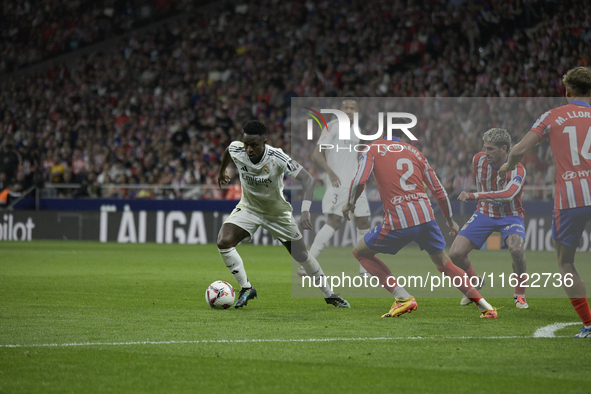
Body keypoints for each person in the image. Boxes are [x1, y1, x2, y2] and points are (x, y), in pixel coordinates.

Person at [343, 125, 497, 318]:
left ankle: (403, 297)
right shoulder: (416, 152)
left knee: (360, 252)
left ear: (382, 134)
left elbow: (359, 180)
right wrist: (449, 220)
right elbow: (439, 190)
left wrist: (349, 204)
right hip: (426, 217)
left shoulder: (372, 149)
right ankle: (486, 306)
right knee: (444, 263)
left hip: (399, 219)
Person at [217, 120, 350, 308]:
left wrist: (305, 210)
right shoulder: (237, 149)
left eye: (254, 145)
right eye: (246, 144)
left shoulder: (276, 157)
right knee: (224, 242)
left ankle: (330, 295)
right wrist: (222, 171)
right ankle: (246, 288)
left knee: (301, 255)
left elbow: (308, 179)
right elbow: (228, 151)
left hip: (277, 214)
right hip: (249, 208)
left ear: (264, 141)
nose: (248, 149)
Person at [499, 67, 591, 338]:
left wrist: (507, 167)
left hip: (571, 198)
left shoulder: (553, 116)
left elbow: (518, 150)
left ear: (567, 91)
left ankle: (588, 323)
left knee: (566, 263)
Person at [450, 128, 529, 309]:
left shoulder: (518, 169)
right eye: (485, 148)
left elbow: (508, 195)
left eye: (491, 149)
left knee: (516, 250)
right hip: (484, 212)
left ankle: (520, 294)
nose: (486, 153)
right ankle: (475, 282)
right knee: (455, 254)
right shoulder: (478, 160)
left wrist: (474, 195)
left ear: (504, 149)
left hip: (511, 216)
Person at [298, 99, 371, 278]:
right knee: (334, 221)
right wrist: (330, 173)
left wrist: (362, 178)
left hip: (355, 184)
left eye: (352, 108)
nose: (349, 111)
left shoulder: (357, 131)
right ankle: (307, 264)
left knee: (363, 222)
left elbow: (356, 156)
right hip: (338, 183)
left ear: (357, 112)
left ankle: (364, 270)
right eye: (345, 108)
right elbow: (316, 153)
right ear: (340, 110)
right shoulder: (332, 126)